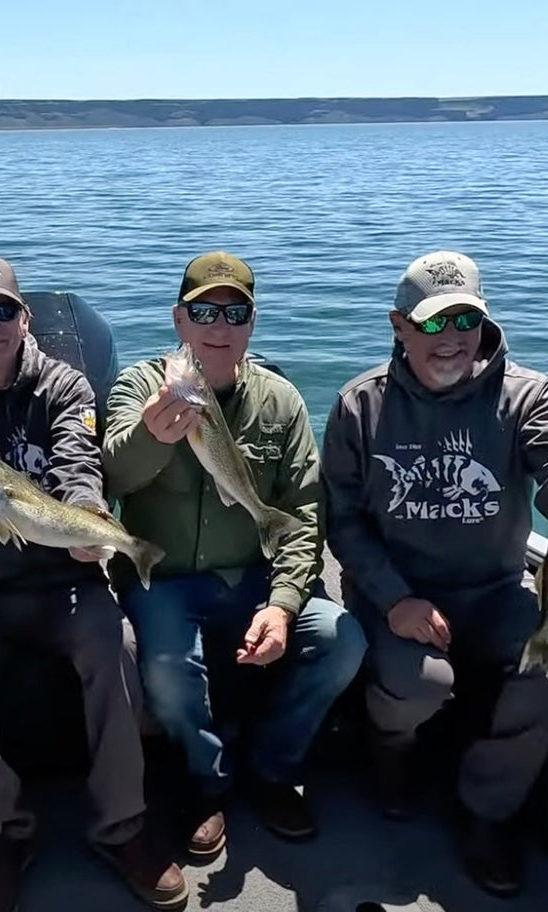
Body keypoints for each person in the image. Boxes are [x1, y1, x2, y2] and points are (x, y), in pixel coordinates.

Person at [0, 255, 186, 912]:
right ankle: (0, 830)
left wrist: (88, 522)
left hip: (65, 581)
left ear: (25, 318)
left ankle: (122, 826)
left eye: (3, 309)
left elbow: (79, 462)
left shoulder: (65, 385)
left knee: (115, 641)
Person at [320, 251, 548, 898]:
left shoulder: (529, 395)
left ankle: (486, 807)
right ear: (399, 326)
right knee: (418, 683)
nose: (451, 340)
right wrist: (393, 600)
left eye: (465, 320)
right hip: (399, 595)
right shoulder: (360, 406)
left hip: (496, 592)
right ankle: (389, 756)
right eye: (433, 324)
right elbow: (345, 522)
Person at [101, 251, 365, 859]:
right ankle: (208, 784)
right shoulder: (143, 387)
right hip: (161, 578)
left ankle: (272, 770)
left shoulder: (282, 402)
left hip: (254, 576)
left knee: (341, 639)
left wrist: (284, 602)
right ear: (179, 319)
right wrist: (151, 435)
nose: (219, 326)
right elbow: (108, 476)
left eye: (235, 312)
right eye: (204, 311)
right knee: (167, 670)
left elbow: (302, 512)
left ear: (251, 323)